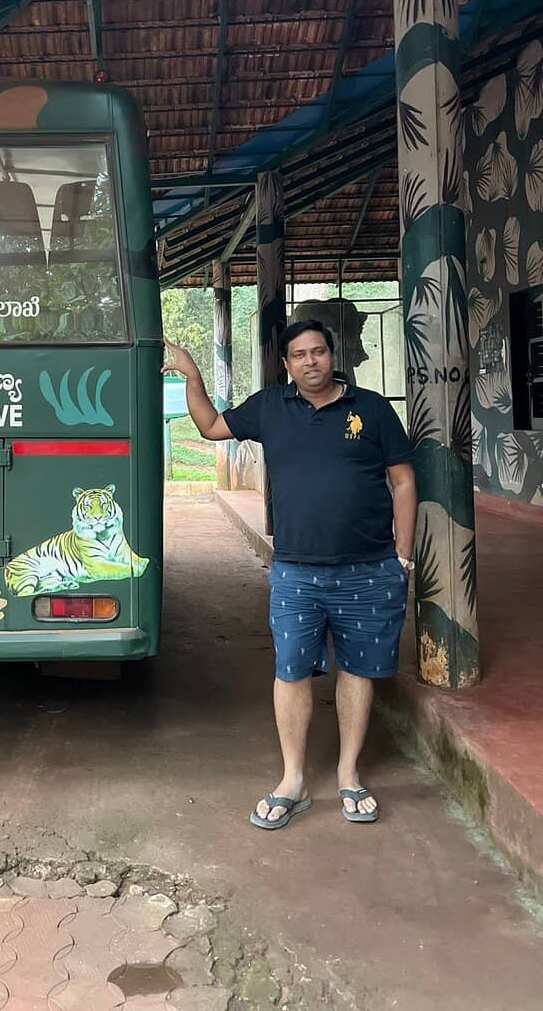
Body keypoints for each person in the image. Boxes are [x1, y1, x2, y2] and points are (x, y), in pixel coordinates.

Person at [163, 319, 417, 829]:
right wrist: (191, 374)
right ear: (286, 364)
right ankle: (293, 780)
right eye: (298, 355)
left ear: (331, 353)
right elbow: (211, 427)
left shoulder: (371, 409)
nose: (310, 362)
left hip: (369, 569)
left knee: (359, 672)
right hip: (297, 573)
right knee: (292, 670)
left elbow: (404, 481)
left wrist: (403, 557)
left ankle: (348, 775)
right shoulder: (271, 407)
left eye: (318, 351)